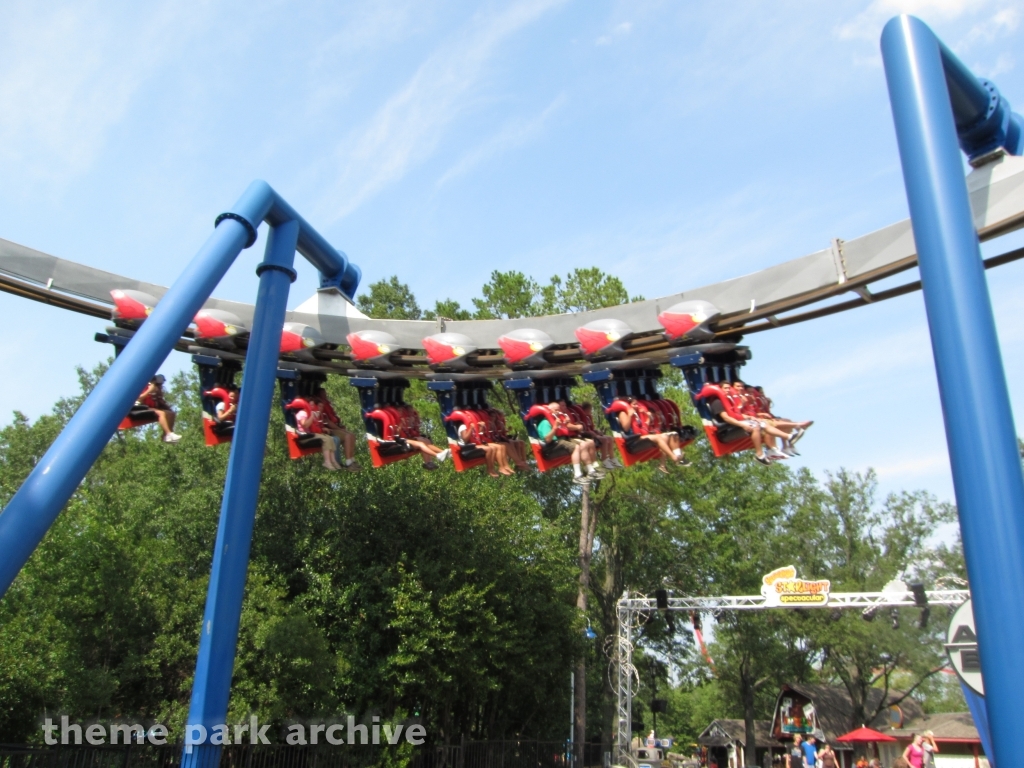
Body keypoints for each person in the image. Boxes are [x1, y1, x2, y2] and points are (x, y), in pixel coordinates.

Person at [614, 397, 688, 472]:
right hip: (632, 440)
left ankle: (663, 465)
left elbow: (643, 428)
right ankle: (674, 458)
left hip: (641, 436)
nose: (636, 406)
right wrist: (630, 415)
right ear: (629, 405)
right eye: (634, 404)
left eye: (637, 404)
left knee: (667, 436)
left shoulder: (636, 414)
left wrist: (648, 417)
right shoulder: (623, 413)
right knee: (659, 438)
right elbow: (626, 428)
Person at [536, 403, 603, 485]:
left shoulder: (557, 420)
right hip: (550, 448)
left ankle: (590, 470)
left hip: (561, 442)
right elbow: (548, 439)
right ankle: (577, 475)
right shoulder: (545, 423)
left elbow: (565, 432)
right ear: (549, 411)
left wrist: (566, 423)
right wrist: (555, 427)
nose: (559, 412)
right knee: (575, 447)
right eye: (556, 410)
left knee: (584, 444)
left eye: (559, 410)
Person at [314, 387, 360, 471]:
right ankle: (348, 463)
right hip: (330, 430)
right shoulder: (319, 407)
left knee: (352, 435)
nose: (325, 395)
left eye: (325, 393)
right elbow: (327, 422)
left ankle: (352, 460)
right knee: (348, 436)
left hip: (335, 427)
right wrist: (340, 429)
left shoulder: (326, 404)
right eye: (323, 393)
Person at [294, 399, 343, 470]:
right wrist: (311, 416)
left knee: (330, 439)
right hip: (304, 437)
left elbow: (314, 427)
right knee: (325, 439)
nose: (312, 407)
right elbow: (305, 425)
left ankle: (333, 460)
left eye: (313, 405)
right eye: (310, 405)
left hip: (310, 435)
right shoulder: (302, 413)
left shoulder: (310, 413)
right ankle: (327, 462)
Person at [579, 402, 623, 470]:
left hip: (592, 434)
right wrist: (593, 433)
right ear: (585, 410)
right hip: (587, 436)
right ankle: (604, 459)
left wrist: (597, 431)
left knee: (610, 438)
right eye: (589, 410)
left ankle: (612, 458)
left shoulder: (589, 417)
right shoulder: (581, 418)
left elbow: (591, 428)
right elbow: (583, 430)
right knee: (604, 439)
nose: (591, 411)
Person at [138, 374, 181, 443]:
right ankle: (168, 433)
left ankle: (167, 434)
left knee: (171, 413)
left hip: (153, 408)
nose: (160, 386)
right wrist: (149, 390)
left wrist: (167, 408)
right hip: (143, 407)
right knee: (161, 413)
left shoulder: (158, 390)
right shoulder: (146, 387)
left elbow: (159, 401)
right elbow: (140, 398)